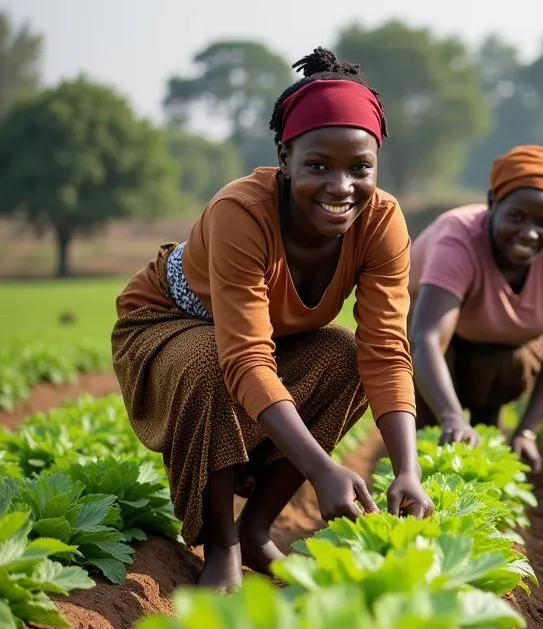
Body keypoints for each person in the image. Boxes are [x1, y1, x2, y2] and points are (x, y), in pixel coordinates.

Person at [112, 47, 433, 590]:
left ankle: (256, 529)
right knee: (209, 362)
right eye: (317, 166)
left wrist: (407, 468)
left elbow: (385, 350)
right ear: (284, 158)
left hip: (260, 339)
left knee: (345, 355)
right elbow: (243, 357)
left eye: (360, 167)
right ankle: (221, 545)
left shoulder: (382, 221)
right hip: (164, 325)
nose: (341, 186)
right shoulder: (241, 211)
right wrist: (320, 469)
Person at [408, 145, 543, 471]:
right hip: (426, 346)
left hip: (502, 356)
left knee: (490, 418)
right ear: (492, 203)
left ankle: (486, 428)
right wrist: (450, 417)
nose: (529, 233)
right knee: (434, 439)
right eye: (516, 217)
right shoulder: (458, 240)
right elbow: (426, 338)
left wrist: (527, 431)